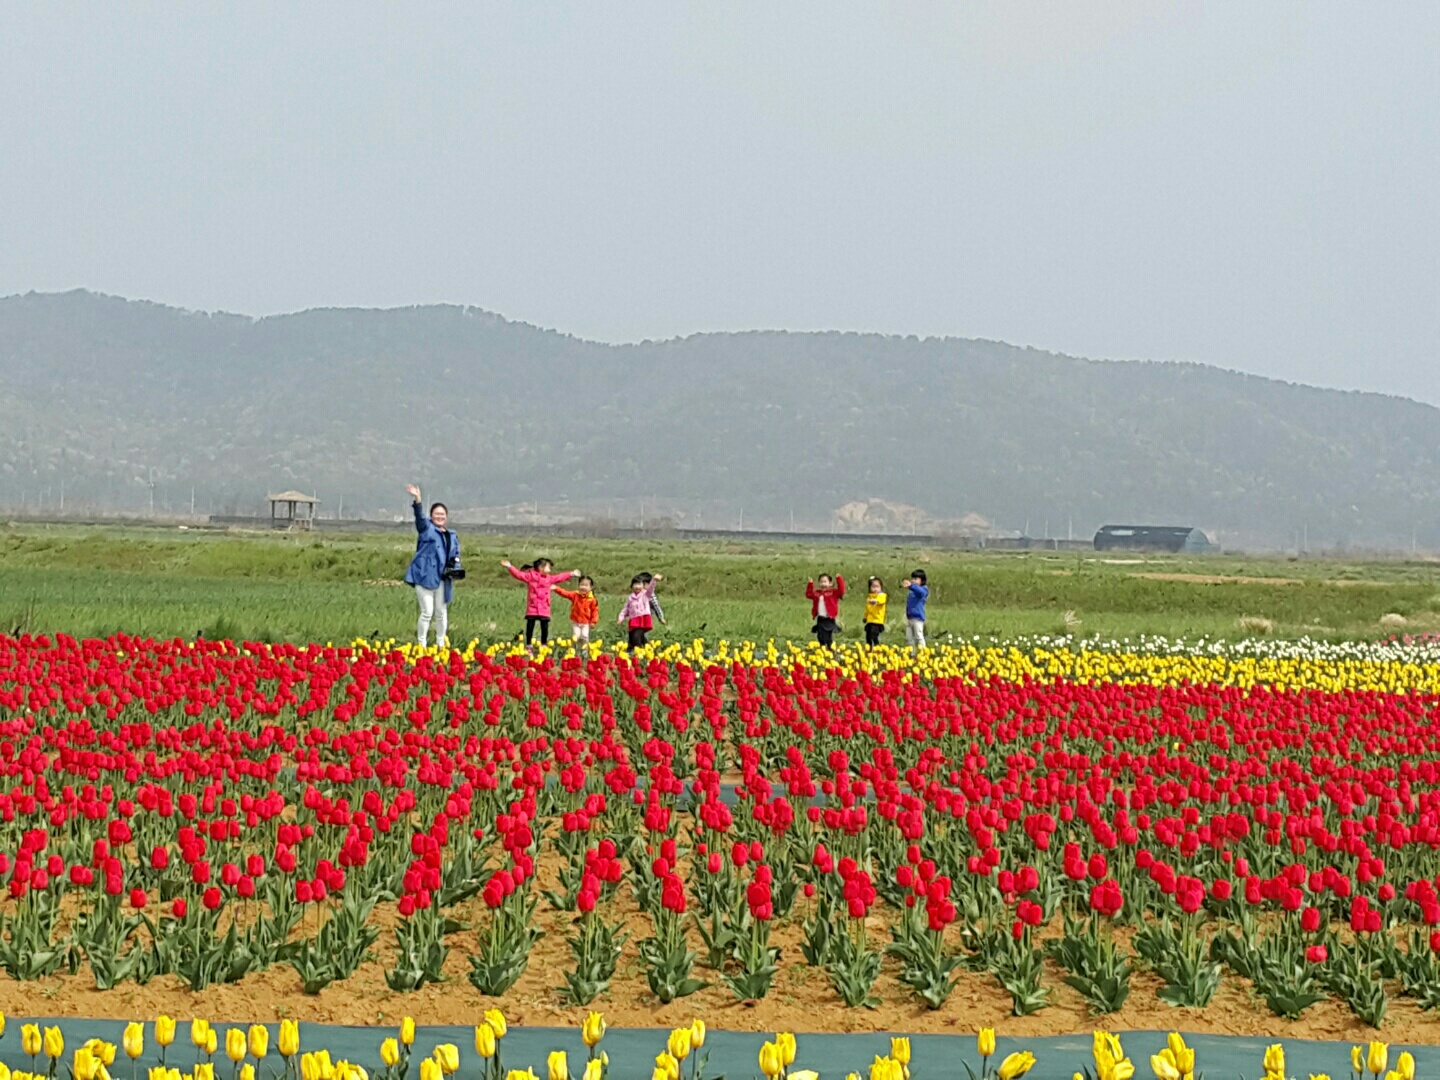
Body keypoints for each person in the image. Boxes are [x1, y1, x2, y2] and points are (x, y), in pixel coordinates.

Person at [402, 483, 462, 647]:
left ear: (446, 516)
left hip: (443, 578)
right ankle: (422, 644)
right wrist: (417, 499)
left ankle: (440, 644)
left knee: (441, 612)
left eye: (442, 514)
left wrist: (456, 570)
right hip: (424, 576)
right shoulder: (426, 528)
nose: (440, 517)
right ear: (432, 515)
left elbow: (456, 555)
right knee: (427, 612)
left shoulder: (452, 535)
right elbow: (419, 518)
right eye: (436, 514)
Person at [501, 557, 579, 647]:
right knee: (530, 627)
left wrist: (571, 574)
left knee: (544, 627)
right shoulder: (530, 577)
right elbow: (519, 575)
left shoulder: (549, 579)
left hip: (544, 607)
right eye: (548, 567)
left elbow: (559, 577)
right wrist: (510, 567)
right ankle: (529, 645)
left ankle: (544, 644)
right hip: (532, 607)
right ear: (541, 567)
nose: (550, 569)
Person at [617, 573, 662, 649]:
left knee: (636, 637)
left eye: (639, 584)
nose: (637, 586)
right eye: (635, 584)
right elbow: (626, 609)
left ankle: (638, 652)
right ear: (631, 586)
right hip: (634, 620)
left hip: (643, 620)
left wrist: (654, 580)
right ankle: (647, 649)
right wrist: (620, 618)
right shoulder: (630, 597)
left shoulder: (645, 594)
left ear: (643, 586)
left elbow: (651, 588)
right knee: (633, 637)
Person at [553, 575, 600, 645]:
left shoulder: (592, 599)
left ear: (591, 587)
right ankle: (574, 650)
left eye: (586, 585)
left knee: (584, 636)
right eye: (581, 585)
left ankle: (584, 652)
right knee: (576, 636)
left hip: (586, 622)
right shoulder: (575, 595)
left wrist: (593, 622)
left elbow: (595, 611)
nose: (583, 587)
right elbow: (565, 593)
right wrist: (556, 588)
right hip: (576, 621)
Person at [805, 573, 846, 648]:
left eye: (825, 582)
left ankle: (830, 649)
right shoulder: (817, 593)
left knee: (827, 637)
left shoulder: (833, 593)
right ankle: (822, 649)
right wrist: (810, 584)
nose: (823, 584)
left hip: (829, 618)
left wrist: (839, 579)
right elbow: (808, 594)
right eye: (821, 582)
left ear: (830, 583)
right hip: (820, 618)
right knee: (820, 636)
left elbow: (841, 590)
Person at [901, 569, 929, 648]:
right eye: (912, 579)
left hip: (918, 618)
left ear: (922, 580)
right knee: (909, 637)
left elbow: (920, 592)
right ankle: (912, 653)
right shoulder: (912, 591)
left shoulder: (924, 589)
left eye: (916, 579)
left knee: (918, 635)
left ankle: (923, 651)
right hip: (910, 617)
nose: (913, 581)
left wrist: (911, 586)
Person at [863, 577, 887, 646]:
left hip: (877, 620)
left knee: (874, 636)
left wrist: (873, 601)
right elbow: (867, 609)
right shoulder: (869, 597)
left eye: (877, 587)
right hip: (870, 620)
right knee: (868, 636)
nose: (875, 589)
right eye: (873, 587)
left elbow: (880, 601)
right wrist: (865, 617)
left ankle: (877, 648)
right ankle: (869, 649)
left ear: (881, 587)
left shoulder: (882, 596)